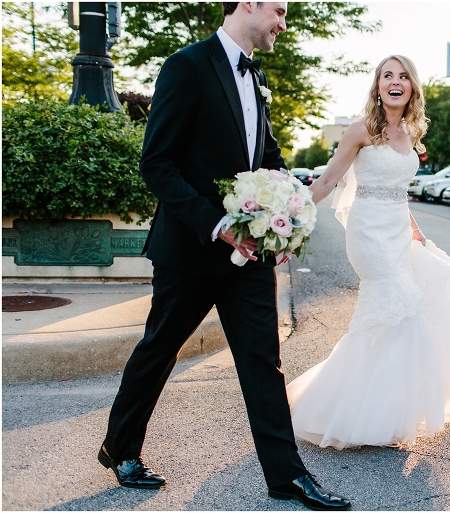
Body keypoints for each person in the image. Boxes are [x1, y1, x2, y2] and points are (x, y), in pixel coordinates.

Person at [98, 3, 350, 510]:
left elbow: (269, 158)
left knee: (263, 361)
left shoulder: (257, 78)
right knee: (158, 350)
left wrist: (287, 218)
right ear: (249, 4)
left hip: (251, 253)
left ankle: (286, 476)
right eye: (279, 11)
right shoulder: (187, 66)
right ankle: (120, 448)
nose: (283, 23)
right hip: (190, 250)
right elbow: (158, 164)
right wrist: (217, 226)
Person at [289, 55, 450, 449]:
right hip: (368, 233)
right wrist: (287, 215)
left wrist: (416, 231)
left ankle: (385, 413)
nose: (395, 81)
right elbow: (326, 183)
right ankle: (359, 412)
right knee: (399, 305)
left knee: (410, 310)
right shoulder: (360, 131)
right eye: (387, 75)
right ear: (377, 87)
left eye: (403, 76)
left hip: (396, 231)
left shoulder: (410, 132)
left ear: (411, 88)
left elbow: (399, 193)